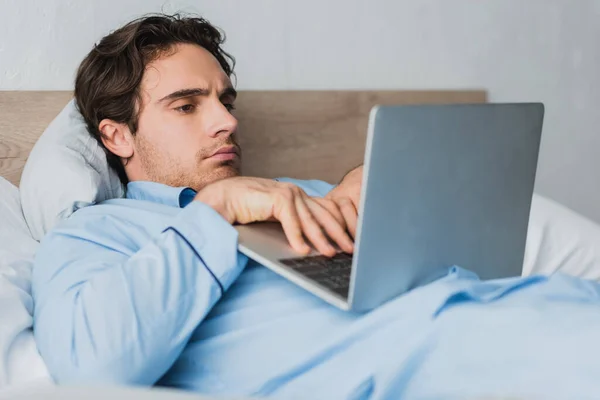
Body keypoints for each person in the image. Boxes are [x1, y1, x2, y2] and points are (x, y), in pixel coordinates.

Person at [32, 13, 600, 399]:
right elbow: (92, 368)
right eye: (186, 106)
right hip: (455, 353)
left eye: (225, 101)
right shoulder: (95, 233)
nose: (226, 121)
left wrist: (366, 183)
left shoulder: (292, 190)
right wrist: (213, 213)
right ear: (117, 137)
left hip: (524, 304)